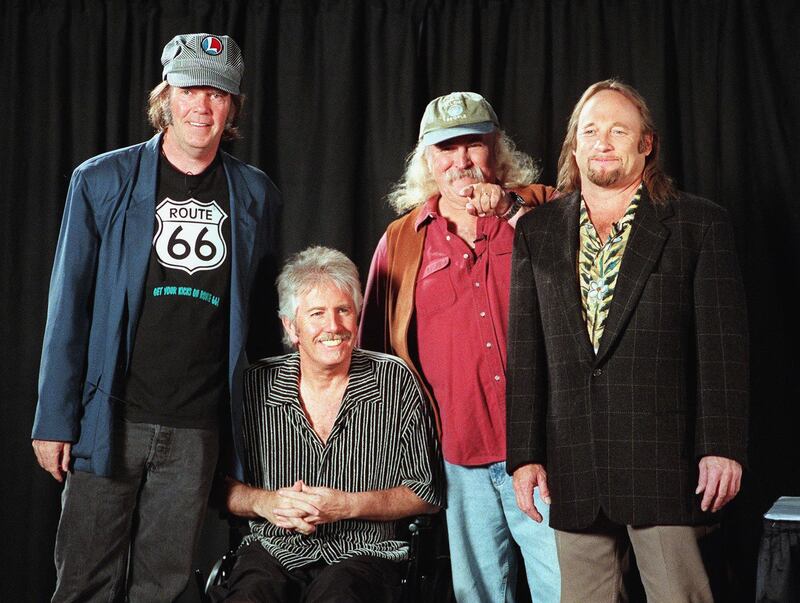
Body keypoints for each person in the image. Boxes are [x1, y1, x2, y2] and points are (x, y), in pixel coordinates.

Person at [31, 33, 281, 601]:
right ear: (165, 96)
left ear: (233, 107)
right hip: (108, 420)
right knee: (84, 583)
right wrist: (53, 419)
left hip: (197, 428)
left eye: (217, 94)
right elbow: (67, 306)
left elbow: (262, 324)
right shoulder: (101, 181)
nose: (202, 105)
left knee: (163, 588)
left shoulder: (256, 195)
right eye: (190, 89)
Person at [506, 79, 749, 602]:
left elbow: (723, 349)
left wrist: (722, 447)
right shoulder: (537, 231)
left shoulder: (699, 224)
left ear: (647, 144)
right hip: (574, 462)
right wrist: (523, 456)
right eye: (590, 131)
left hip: (664, 461)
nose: (603, 142)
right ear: (575, 144)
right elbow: (527, 354)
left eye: (619, 130)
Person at [359, 91, 561, 602]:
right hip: (456, 459)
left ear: (497, 149)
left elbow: (593, 275)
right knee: (479, 596)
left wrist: (512, 209)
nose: (461, 161)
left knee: (568, 590)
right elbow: (373, 355)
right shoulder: (402, 239)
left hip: (545, 449)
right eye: (446, 149)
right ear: (428, 159)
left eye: (473, 145)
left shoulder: (543, 207)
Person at [210, 246, 443, 602]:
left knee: (339, 595)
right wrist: (264, 502)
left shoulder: (394, 380)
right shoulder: (253, 386)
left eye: (343, 311)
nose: (333, 326)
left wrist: (348, 506)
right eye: (317, 314)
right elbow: (217, 487)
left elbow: (425, 493)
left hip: (366, 554)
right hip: (273, 549)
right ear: (291, 325)